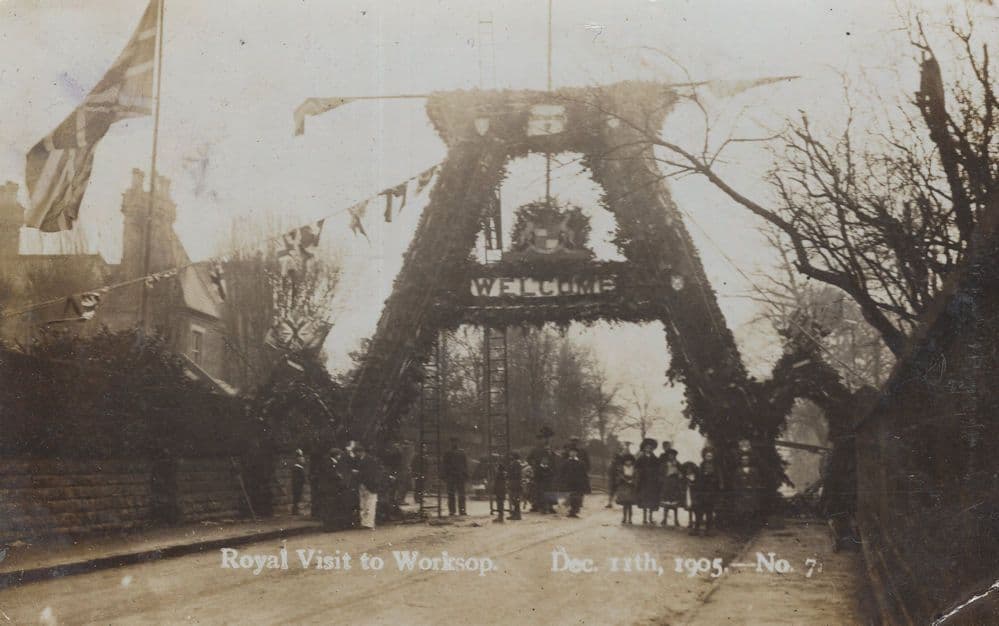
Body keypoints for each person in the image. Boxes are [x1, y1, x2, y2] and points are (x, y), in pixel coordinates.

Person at [317, 448, 354, 531]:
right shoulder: (328, 463)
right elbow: (329, 474)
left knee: (332, 508)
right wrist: (338, 476)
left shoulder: (332, 462)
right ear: (336, 455)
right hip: (328, 489)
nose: (340, 457)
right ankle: (328, 527)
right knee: (329, 508)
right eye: (339, 455)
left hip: (332, 489)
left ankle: (331, 526)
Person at [527, 426, 557, 514]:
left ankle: (550, 506)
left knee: (549, 489)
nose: (542, 440)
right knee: (538, 489)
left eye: (544, 438)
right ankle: (538, 506)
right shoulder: (535, 450)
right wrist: (534, 465)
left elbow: (553, 459)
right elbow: (528, 459)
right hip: (538, 473)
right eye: (540, 439)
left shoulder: (550, 449)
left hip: (548, 473)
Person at [353, 443, 381, 529]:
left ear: (360, 452)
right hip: (363, 485)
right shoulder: (361, 460)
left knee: (370, 504)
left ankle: (369, 523)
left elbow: (370, 473)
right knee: (363, 504)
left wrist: (358, 473)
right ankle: (364, 522)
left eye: (356, 453)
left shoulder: (370, 460)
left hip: (369, 485)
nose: (355, 455)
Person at [636, 438, 661, 525]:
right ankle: (644, 518)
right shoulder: (640, 459)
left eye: (650, 448)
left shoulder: (655, 459)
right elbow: (637, 469)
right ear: (644, 448)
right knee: (644, 500)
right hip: (644, 482)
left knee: (651, 500)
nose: (649, 449)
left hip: (652, 482)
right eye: (647, 447)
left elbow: (658, 470)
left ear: (653, 449)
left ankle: (650, 517)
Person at [442, 437, 468, 516]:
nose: (454, 443)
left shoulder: (462, 452)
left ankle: (462, 510)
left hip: (460, 476)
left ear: (458, 443)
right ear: (450, 443)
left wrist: (465, 474)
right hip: (451, 476)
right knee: (451, 494)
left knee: (462, 495)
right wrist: (445, 475)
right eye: (453, 442)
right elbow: (444, 465)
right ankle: (452, 511)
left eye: (456, 442)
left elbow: (465, 464)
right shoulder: (447, 453)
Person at [560, 448, 589, 518]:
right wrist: (561, 480)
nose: (572, 453)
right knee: (569, 496)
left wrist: (585, 483)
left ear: (576, 453)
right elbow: (562, 472)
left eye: (574, 452)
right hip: (568, 482)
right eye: (571, 452)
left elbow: (584, 474)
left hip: (578, 483)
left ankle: (574, 511)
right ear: (569, 453)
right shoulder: (566, 462)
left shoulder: (581, 463)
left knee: (577, 497)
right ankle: (571, 510)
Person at [660, 448, 685, 527]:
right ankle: (664, 518)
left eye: (673, 455)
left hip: (675, 484)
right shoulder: (664, 464)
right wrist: (664, 479)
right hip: (667, 484)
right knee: (666, 502)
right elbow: (660, 473)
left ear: (675, 456)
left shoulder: (677, 464)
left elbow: (682, 472)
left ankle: (676, 519)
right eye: (670, 455)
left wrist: (679, 474)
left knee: (675, 503)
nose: (671, 456)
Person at [606, 442, 633, 508]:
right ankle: (610, 503)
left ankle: (620, 501)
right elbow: (610, 468)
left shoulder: (622, 458)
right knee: (612, 490)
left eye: (620, 449)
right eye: (619, 449)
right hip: (614, 475)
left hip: (619, 475)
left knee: (620, 489)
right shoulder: (615, 458)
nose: (620, 450)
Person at [616, 455, 637, 524]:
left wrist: (632, 481)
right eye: (627, 461)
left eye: (629, 461)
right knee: (625, 503)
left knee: (630, 504)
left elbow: (636, 476)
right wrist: (626, 480)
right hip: (624, 486)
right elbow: (620, 475)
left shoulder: (633, 468)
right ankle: (624, 517)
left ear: (632, 461)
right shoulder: (622, 468)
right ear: (624, 462)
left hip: (631, 486)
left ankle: (630, 519)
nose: (628, 462)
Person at [411, 441, 429, 507]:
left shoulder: (425, 456)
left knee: (422, 486)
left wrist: (426, 473)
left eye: (425, 447)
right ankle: (416, 498)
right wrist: (414, 472)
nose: (424, 449)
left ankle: (420, 498)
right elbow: (413, 464)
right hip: (418, 473)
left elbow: (427, 465)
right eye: (423, 447)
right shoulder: (416, 456)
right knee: (417, 486)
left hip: (423, 473)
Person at [507, 452, 523, 520]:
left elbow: (514, 474)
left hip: (514, 483)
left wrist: (508, 475)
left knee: (514, 499)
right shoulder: (517, 464)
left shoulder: (516, 464)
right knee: (515, 499)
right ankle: (516, 514)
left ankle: (516, 515)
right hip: (516, 483)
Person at [291, 449, 306, 515]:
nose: (303, 459)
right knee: (296, 497)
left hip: (299, 484)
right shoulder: (296, 468)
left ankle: (296, 510)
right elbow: (297, 478)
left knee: (298, 497)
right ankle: (295, 511)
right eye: (301, 458)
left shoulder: (299, 468)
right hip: (297, 485)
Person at [493, 457, 507, 523]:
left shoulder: (498, 474)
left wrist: (494, 490)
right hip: (503, 490)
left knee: (499, 504)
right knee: (501, 503)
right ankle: (500, 517)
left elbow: (496, 483)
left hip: (499, 490)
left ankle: (500, 518)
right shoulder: (503, 474)